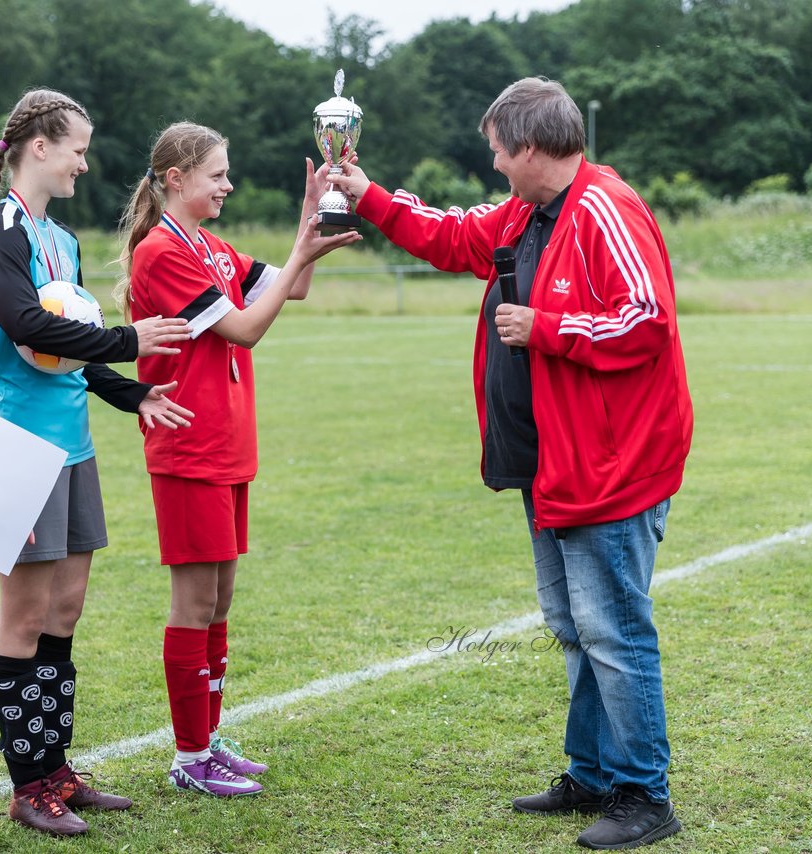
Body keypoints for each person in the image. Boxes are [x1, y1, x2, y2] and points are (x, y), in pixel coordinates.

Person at [329, 77, 692, 850]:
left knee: (614, 632)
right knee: (574, 626)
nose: (493, 163)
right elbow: (454, 235)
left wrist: (548, 327)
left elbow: (647, 320)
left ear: (530, 146)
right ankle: (592, 773)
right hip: (551, 463)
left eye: (497, 148)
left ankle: (644, 794)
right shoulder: (530, 212)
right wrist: (367, 193)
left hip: (610, 466)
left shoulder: (604, 207)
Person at [0, 88, 193, 836]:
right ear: (39, 146)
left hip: (72, 446)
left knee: (64, 610)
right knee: (24, 614)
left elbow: (74, 348)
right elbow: (28, 325)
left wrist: (134, 395)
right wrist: (133, 339)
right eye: (76, 149)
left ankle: (56, 769)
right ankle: (27, 784)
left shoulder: (61, 240)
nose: (84, 163)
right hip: (15, 446)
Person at [114, 122, 360, 797]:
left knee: (219, 600)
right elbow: (247, 328)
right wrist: (304, 246)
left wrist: (313, 219)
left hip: (225, 444)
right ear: (176, 179)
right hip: (189, 444)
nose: (228, 184)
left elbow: (292, 286)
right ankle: (190, 757)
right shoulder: (163, 252)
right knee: (194, 602)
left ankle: (208, 739)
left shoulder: (209, 247)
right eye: (217, 174)